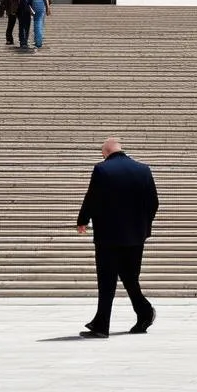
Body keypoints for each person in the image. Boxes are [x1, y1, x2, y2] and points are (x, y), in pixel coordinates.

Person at [77, 137, 159, 339]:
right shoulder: (143, 169)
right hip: (135, 237)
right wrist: (143, 226)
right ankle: (144, 312)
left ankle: (101, 325)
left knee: (107, 280)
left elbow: (93, 197)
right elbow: (154, 202)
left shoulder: (102, 169)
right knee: (131, 279)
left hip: (109, 236)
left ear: (105, 152)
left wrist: (83, 220)